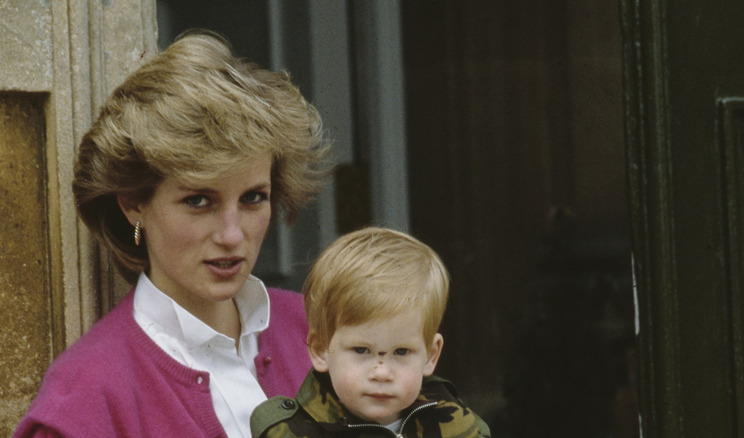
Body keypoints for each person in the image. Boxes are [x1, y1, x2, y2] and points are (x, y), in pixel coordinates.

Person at [14, 29, 329, 438]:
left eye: (253, 197)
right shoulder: (88, 396)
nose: (232, 235)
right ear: (133, 203)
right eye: (199, 200)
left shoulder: (321, 329)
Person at [250, 227, 491, 437]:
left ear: (430, 355)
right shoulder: (288, 433)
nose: (382, 373)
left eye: (402, 352)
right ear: (321, 348)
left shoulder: (459, 427)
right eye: (362, 350)